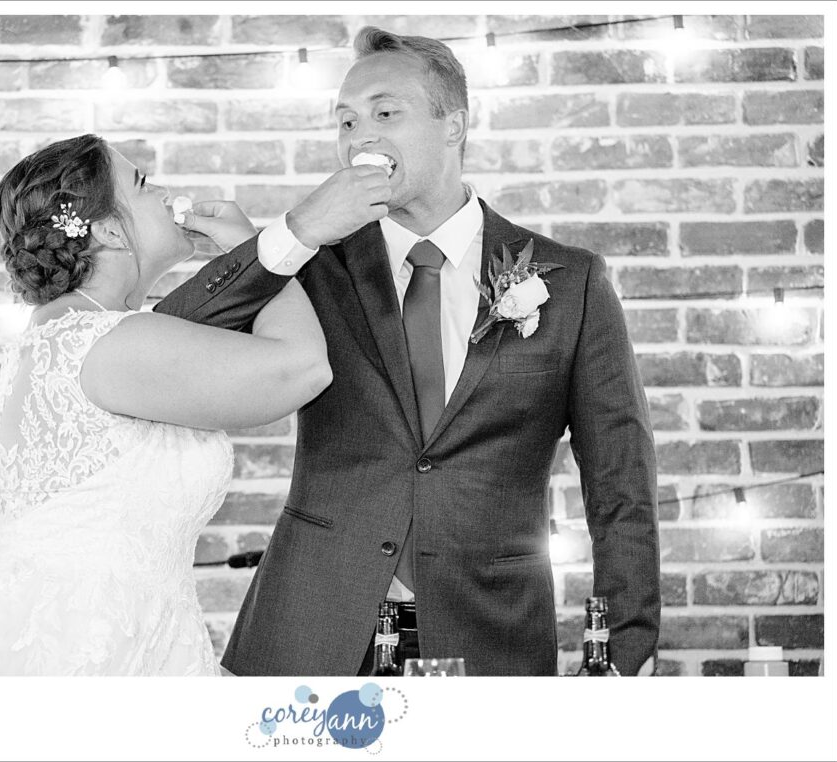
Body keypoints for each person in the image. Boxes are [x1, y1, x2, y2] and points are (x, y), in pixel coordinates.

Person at [163, 27, 661, 676]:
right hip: (309, 632)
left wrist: (623, 653)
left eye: (385, 113)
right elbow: (169, 346)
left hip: (491, 637)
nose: (359, 135)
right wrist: (299, 229)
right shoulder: (310, 264)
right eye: (345, 121)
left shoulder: (573, 283)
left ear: (453, 124)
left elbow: (620, 483)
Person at [0, 134, 332, 676]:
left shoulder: (75, 332)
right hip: (79, 649)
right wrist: (255, 248)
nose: (163, 190)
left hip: (133, 638)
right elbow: (302, 368)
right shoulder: (108, 341)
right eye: (141, 183)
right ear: (109, 228)